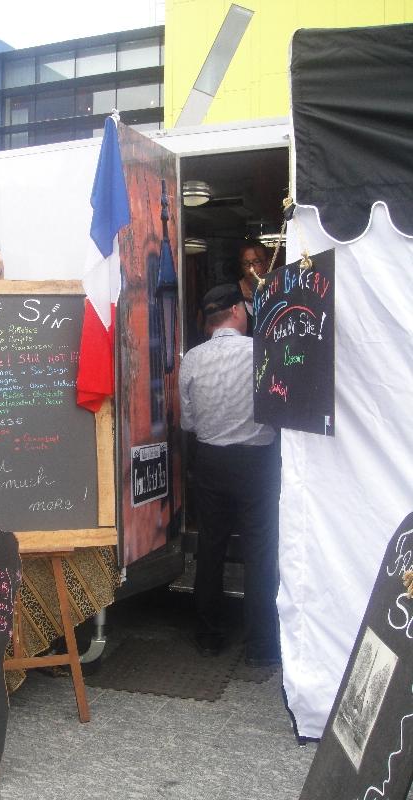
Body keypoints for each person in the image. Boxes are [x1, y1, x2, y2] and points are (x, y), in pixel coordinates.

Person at [178, 283, 281, 666]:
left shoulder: (191, 358)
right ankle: (260, 646)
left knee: (211, 548)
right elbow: (279, 411)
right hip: (257, 462)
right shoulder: (262, 352)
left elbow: (188, 422)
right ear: (239, 311)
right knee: (259, 551)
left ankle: (207, 635)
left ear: (210, 320)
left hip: (211, 461)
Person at [237, 240, 270, 335]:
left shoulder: (275, 289)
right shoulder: (234, 293)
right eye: (246, 263)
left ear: (267, 263)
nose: (251, 269)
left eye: (256, 262)